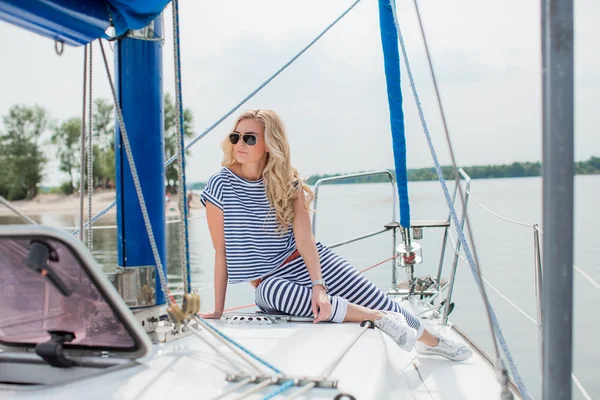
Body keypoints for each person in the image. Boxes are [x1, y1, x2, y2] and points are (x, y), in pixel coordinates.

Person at [200, 109, 472, 361]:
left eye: (249, 138)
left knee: (384, 301)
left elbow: (306, 241)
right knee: (266, 294)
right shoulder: (220, 184)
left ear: (270, 143)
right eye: (236, 137)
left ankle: (433, 342)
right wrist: (218, 310)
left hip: (310, 263)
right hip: (273, 282)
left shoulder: (287, 182)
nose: (240, 144)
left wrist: (318, 285)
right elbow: (221, 250)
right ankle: (377, 318)